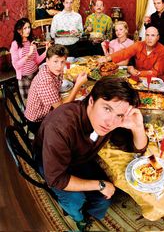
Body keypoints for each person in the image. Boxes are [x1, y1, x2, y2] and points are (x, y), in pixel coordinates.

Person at [33, 77, 148, 229]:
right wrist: (99, 185)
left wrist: (138, 127)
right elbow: (56, 178)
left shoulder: (111, 121)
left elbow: (137, 147)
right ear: (92, 101)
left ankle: (89, 216)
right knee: (76, 201)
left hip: (79, 157)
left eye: (119, 115)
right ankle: (78, 218)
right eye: (107, 108)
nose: (110, 122)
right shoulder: (60, 126)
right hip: (50, 162)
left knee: (105, 199)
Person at [24, 44, 87, 134]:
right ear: (47, 61)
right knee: (74, 124)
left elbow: (62, 77)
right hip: (38, 121)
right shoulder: (45, 80)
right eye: (55, 61)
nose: (59, 66)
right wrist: (77, 85)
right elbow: (61, 108)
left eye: (62, 62)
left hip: (50, 110)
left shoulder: (55, 70)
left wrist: (74, 80)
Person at [98, 25, 164, 77]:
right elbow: (124, 53)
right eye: (147, 35)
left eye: (153, 35)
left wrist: (138, 73)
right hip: (134, 76)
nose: (149, 38)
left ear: (158, 37)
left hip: (152, 80)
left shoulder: (162, 50)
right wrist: (107, 58)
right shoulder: (138, 44)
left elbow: (156, 72)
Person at [10, 18, 50, 100]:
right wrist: (28, 55)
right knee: (29, 102)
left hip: (36, 74)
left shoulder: (31, 42)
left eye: (29, 27)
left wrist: (46, 51)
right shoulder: (15, 44)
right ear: (18, 30)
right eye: (25, 28)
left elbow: (37, 61)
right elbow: (16, 65)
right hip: (25, 78)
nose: (28, 30)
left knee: (39, 99)